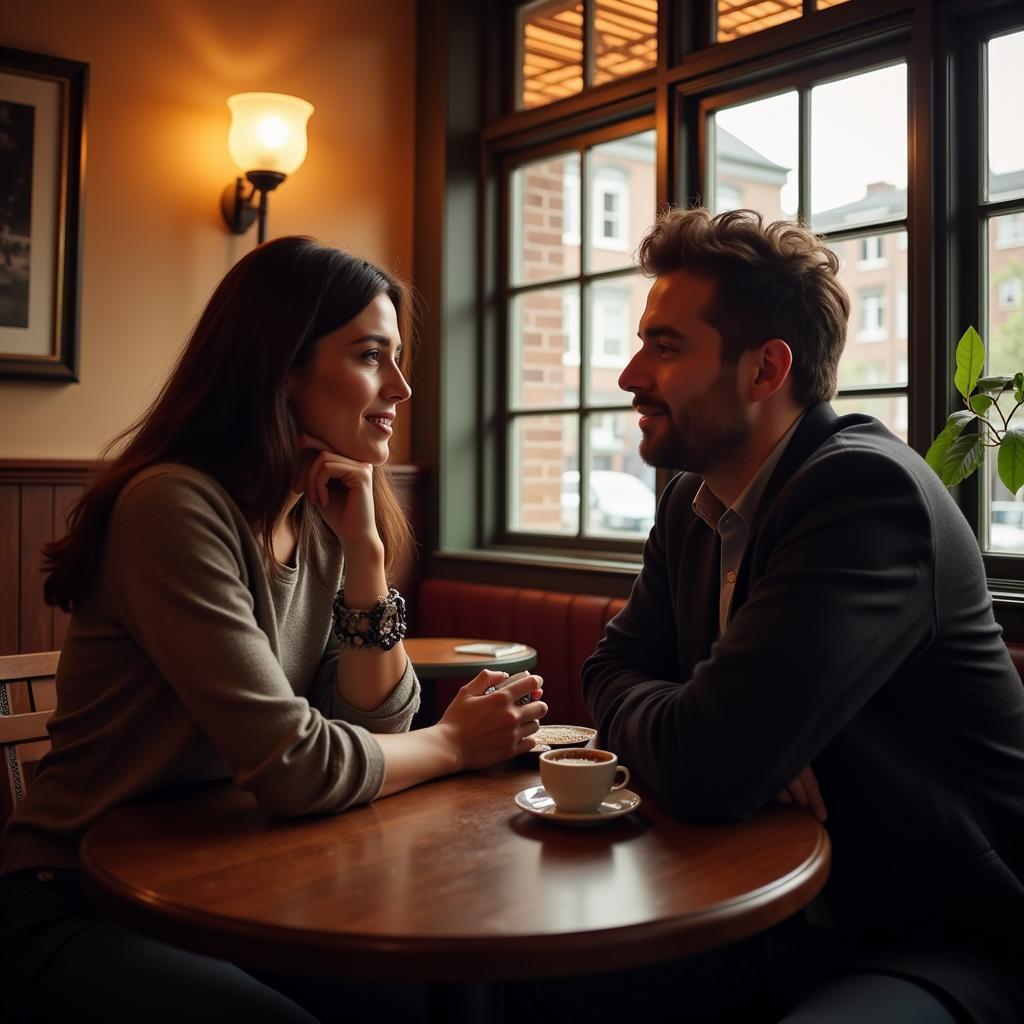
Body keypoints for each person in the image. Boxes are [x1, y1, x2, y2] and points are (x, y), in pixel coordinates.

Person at [0, 237, 546, 1023]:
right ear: (281, 366)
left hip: (234, 872)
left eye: (397, 358)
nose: (401, 386)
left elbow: (368, 723)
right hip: (80, 897)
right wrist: (456, 744)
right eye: (370, 356)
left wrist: (364, 557)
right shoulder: (174, 508)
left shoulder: (321, 518)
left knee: (423, 1000)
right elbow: (297, 766)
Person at [517, 209, 1024, 1023]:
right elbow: (607, 671)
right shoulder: (693, 501)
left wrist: (717, 736)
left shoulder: (866, 494)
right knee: (526, 976)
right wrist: (713, 727)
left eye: (665, 346)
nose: (629, 375)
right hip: (765, 908)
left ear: (765, 370)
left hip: (930, 933)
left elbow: (705, 765)